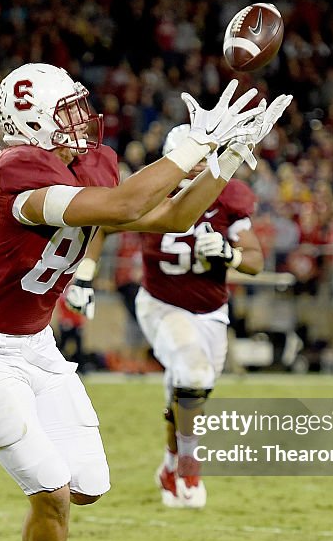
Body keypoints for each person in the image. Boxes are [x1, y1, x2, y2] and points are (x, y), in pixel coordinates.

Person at [0, 63, 291, 541]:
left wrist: (224, 160)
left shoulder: (87, 163)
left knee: (88, 485)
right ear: (30, 120)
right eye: (66, 112)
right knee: (51, 493)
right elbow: (126, 206)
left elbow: (172, 215)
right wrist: (197, 145)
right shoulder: (15, 171)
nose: (82, 120)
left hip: (35, 343)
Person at [66, 123, 266, 509]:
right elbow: (104, 223)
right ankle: (189, 463)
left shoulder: (230, 197)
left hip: (211, 312)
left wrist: (231, 254)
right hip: (161, 304)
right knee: (192, 375)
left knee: (192, 391)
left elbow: (256, 259)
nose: (191, 173)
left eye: (199, 165)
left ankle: (171, 462)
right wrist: (86, 276)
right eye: (185, 164)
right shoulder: (153, 196)